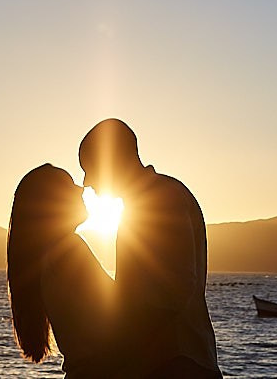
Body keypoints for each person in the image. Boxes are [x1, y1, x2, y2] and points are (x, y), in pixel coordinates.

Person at [79, 118, 221, 379]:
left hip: (175, 363)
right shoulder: (145, 202)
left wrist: (119, 345)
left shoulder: (161, 198)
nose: (86, 182)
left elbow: (174, 292)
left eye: (89, 168)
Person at [7, 163, 133, 378]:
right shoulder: (66, 250)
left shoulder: (49, 254)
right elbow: (119, 317)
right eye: (69, 186)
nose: (81, 189)